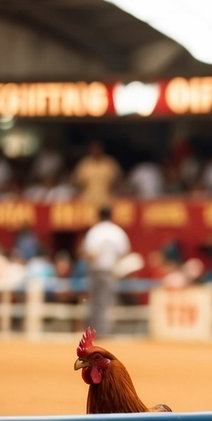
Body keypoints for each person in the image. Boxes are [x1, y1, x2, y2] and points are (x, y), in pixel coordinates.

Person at [80, 205, 132, 337]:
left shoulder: (95, 231)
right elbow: (124, 252)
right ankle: (103, 332)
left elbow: (90, 253)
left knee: (94, 303)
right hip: (110, 270)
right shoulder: (117, 231)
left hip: (96, 270)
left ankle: (95, 333)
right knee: (106, 302)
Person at [74, 141, 122, 206]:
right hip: (88, 200)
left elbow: (118, 180)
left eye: (98, 149)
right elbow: (77, 182)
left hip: (107, 200)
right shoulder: (84, 164)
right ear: (90, 150)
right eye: (94, 149)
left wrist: (116, 194)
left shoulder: (110, 163)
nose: (96, 151)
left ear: (102, 149)